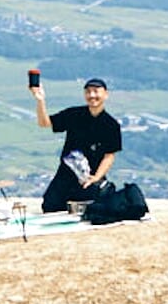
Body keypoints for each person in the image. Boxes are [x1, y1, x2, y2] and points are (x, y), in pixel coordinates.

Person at [32, 76, 123, 213]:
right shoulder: (74, 114)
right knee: (50, 206)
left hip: (90, 177)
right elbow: (44, 123)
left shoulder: (111, 125)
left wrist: (96, 178)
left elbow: (109, 156)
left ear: (106, 94)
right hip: (66, 173)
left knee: (92, 209)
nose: (92, 95)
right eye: (88, 92)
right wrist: (40, 100)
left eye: (96, 91)